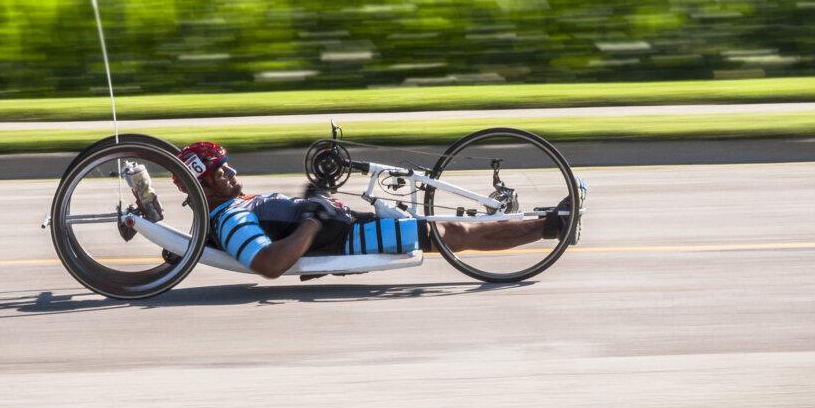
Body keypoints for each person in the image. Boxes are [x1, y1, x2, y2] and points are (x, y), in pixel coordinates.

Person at [173, 141, 577, 279]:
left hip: (338, 224)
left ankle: (544, 221)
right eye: (222, 171)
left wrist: (313, 195)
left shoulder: (232, 206)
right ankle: (554, 226)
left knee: (446, 221)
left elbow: (284, 219)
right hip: (349, 239)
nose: (232, 172)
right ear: (204, 183)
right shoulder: (231, 218)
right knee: (453, 233)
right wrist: (314, 219)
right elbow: (269, 263)